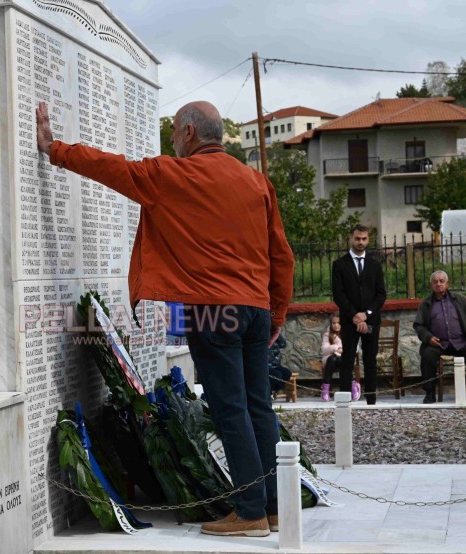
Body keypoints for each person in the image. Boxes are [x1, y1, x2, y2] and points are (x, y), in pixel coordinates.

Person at [36, 100, 293, 537]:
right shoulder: (256, 182)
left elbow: (114, 169)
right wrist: (277, 314)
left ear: (190, 133)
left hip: (215, 311)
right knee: (257, 407)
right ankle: (273, 507)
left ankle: (249, 512)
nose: (171, 141)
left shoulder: (176, 175)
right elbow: (281, 254)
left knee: (231, 410)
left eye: (174, 133)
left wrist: (54, 148)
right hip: (253, 309)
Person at [413, 270, 466, 404]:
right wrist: (428, 337)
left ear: (447, 283)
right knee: (427, 356)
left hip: (460, 342)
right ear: (431, 285)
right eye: (435, 282)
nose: (438, 284)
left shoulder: (459, 299)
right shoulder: (425, 304)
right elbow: (418, 325)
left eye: (441, 281)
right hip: (438, 344)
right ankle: (430, 393)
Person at [331, 224, 386, 405]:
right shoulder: (339, 265)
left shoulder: (375, 265)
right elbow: (339, 294)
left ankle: (371, 399)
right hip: (348, 321)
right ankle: (345, 399)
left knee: (370, 358)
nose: (360, 242)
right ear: (351, 238)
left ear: (368, 240)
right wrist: (355, 315)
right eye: (357, 238)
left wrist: (366, 314)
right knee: (347, 359)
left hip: (371, 320)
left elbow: (381, 294)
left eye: (364, 239)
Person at [320, 314, 344, 402]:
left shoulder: (347, 333)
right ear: (331, 324)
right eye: (334, 323)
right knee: (332, 359)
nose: (336, 325)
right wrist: (337, 348)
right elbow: (324, 350)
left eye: (338, 323)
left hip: (343, 358)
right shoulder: (327, 334)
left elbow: (353, 348)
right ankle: (326, 388)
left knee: (339, 359)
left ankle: (351, 385)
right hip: (330, 359)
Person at [267, 333, 292, 398]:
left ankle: (274, 391)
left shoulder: (275, 334)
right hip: (265, 365)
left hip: (275, 365)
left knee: (287, 373)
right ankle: (268, 393)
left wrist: (277, 333)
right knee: (277, 374)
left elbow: (283, 344)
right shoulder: (263, 334)